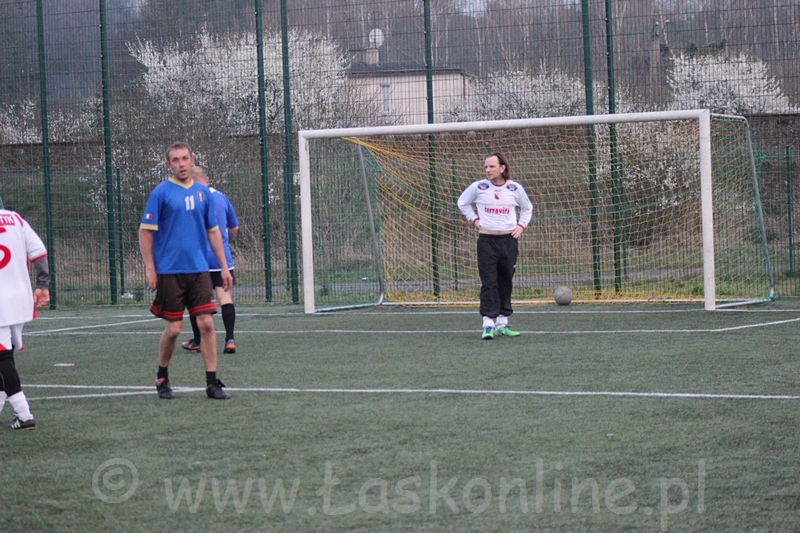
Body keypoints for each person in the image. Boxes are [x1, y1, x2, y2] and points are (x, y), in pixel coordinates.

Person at [139, 142, 233, 400]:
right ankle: (162, 376)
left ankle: (212, 383)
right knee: (173, 330)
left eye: (184, 158)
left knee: (207, 324)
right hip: (170, 272)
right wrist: (150, 267)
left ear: (192, 160)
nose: (181, 164)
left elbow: (213, 232)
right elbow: (145, 232)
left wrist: (224, 267)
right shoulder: (161, 193)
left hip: (200, 270)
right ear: (168, 165)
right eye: (175, 160)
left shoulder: (204, 194)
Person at [457, 152, 533, 340]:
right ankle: (488, 324)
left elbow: (527, 208)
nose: (488, 170)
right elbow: (462, 203)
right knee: (489, 282)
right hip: (487, 242)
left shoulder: (514, 188)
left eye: (492, 166)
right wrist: (474, 219)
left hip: (508, 242)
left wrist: (520, 226)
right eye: (486, 167)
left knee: (505, 281)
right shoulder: (478, 187)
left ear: (502, 168)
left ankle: (502, 323)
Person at [0, 199, 50, 429]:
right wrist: (43, 285)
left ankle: (24, 414)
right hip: (20, 298)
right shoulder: (16, 219)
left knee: (3, 358)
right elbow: (39, 253)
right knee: (4, 354)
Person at [180, 165, 239, 355]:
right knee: (225, 297)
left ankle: (198, 341)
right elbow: (234, 227)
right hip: (221, 259)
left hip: (198, 260)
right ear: (207, 179)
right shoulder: (221, 197)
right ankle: (230, 339)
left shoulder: (188, 198)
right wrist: (224, 243)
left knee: (195, 301)